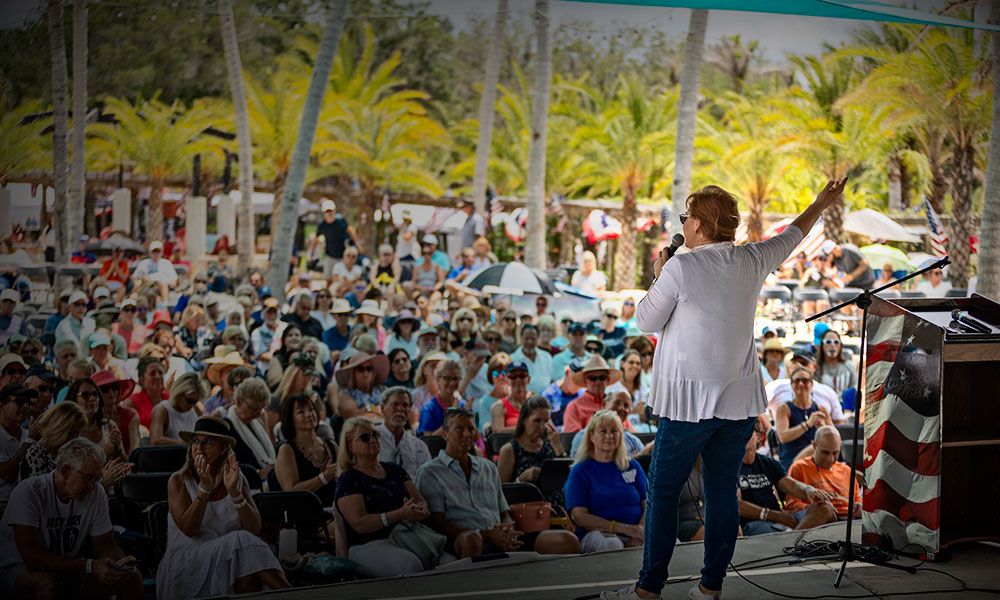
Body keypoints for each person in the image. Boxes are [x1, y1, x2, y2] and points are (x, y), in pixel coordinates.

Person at [600, 179, 847, 600]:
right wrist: (821, 202)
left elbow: (644, 320)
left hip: (688, 403)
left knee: (662, 492)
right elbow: (794, 233)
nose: (683, 222)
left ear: (700, 225)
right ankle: (710, 587)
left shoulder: (680, 266)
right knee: (721, 493)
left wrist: (659, 275)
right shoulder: (752, 258)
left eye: (686, 216)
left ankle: (648, 591)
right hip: (737, 402)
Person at [416, 408, 579, 558]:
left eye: (471, 429)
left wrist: (508, 532)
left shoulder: (487, 467)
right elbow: (436, 524)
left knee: (566, 540)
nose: (467, 434)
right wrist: (486, 534)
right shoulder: (431, 472)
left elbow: (504, 513)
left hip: (499, 537)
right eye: (459, 429)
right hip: (462, 540)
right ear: (445, 434)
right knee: (471, 540)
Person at [159, 417, 289, 599]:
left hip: (231, 559)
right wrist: (203, 489)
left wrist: (235, 494)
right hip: (189, 559)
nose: (199, 447)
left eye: (208, 442)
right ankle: (295, 594)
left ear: (223, 449)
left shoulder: (236, 477)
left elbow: (254, 528)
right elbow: (189, 529)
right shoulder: (179, 481)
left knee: (248, 568)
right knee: (241, 540)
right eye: (195, 441)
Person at [0, 438, 143, 600]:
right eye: (88, 477)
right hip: (17, 570)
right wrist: (89, 565)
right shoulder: (29, 492)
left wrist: (118, 563)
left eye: (97, 478)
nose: (93, 486)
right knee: (47, 583)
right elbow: (33, 559)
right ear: (66, 471)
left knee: (131, 578)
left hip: (67, 568)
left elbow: (105, 546)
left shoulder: (95, 493)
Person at [334, 417, 432, 577]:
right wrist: (399, 514)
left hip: (406, 536)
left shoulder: (395, 469)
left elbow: (419, 499)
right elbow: (360, 524)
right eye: (365, 437)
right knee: (410, 565)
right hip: (367, 544)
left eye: (375, 434)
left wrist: (421, 509)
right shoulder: (349, 479)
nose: (372, 440)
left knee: (449, 561)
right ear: (350, 446)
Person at [565, 410, 647, 553]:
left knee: (669, 542)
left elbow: (649, 505)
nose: (609, 436)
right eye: (603, 431)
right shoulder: (580, 471)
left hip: (638, 531)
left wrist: (640, 532)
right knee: (611, 545)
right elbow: (579, 516)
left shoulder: (633, 466)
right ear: (591, 436)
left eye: (614, 431)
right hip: (599, 533)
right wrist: (626, 529)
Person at [738, 419, 838, 535]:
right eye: (738, 431)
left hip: (780, 518)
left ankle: (793, 539)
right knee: (787, 530)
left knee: (826, 508)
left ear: (759, 437)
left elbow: (792, 486)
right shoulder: (731, 467)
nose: (742, 435)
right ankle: (794, 539)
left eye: (747, 431)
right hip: (755, 523)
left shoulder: (768, 463)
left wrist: (808, 490)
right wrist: (774, 515)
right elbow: (737, 505)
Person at [274, 393, 338, 505]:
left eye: (311, 409)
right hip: (306, 515)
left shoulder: (331, 445)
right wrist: (324, 477)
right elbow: (290, 491)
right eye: (301, 412)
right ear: (291, 420)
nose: (309, 414)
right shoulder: (287, 450)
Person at [785, 426, 860, 520]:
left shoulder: (847, 471)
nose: (830, 459)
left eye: (835, 453)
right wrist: (820, 511)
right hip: (819, 521)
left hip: (849, 519)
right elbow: (792, 506)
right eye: (825, 453)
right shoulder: (799, 468)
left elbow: (857, 499)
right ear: (814, 446)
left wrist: (859, 506)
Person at [496, 394, 564, 485]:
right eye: (537, 421)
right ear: (524, 420)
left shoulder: (550, 445)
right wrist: (521, 479)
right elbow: (501, 491)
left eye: (546, 421)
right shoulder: (510, 450)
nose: (542, 427)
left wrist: (560, 451)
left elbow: (564, 480)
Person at [775, 367, 834, 471]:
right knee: (817, 448)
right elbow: (783, 437)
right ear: (792, 385)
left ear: (811, 384)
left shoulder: (821, 409)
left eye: (805, 380)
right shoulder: (784, 409)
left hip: (817, 461)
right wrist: (807, 424)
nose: (801, 384)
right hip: (792, 461)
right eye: (797, 381)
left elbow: (834, 439)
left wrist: (823, 428)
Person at [225, 377, 276, 481]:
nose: (257, 415)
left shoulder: (257, 423)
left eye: (260, 411)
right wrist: (258, 473)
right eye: (254, 410)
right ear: (239, 402)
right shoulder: (226, 428)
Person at [570, 391, 645, 458]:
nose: (622, 408)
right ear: (604, 404)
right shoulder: (584, 437)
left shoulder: (633, 441)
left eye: (626, 406)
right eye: (617, 403)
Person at [377, 387, 432, 478]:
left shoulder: (418, 446)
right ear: (383, 408)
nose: (400, 409)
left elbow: (428, 478)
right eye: (395, 404)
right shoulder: (371, 440)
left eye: (405, 406)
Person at [563, 356, 621, 434]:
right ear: (585, 381)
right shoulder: (574, 407)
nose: (598, 382)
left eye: (602, 377)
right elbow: (573, 439)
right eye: (593, 378)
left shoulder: (616, 404)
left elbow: (628, 431)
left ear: (608, 380)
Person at [0, 384, 33, 517]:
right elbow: (8, 475)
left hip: (24, 508)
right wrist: (28, 443)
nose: (25, 406)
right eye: (19, 402)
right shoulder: (29, 438)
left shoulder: (26, 435)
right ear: (1, 405)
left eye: (28, 402)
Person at [150, 372, 206, 447]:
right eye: (189, 400)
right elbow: (155, 440)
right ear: (178, 393)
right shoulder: (162, 410)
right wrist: (186, 444)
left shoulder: (195, 409)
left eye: (195, 402)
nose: (191, 405)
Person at [314, 199, 362, 282]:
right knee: (328, 279)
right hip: (330, 255)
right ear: (323, 213)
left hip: (343, 255)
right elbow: (316, 238)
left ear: (334, 211)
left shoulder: (340, 220)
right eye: (327, 211)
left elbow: (351, 231)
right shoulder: (322, 225)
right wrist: (313, 253)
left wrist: (358, 245)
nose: (329, 213)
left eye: (331, 211)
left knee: (343, 279)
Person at [93, 370, 139, 457]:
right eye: (105, 389)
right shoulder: (91, 419)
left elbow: (135, 448)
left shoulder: (130, 415)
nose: (111, 392)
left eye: (114, 387)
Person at [417, 360, 466, 437]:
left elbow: (475, 437)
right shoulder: (429, 408)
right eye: (447, 378)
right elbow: (428, 440)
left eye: (456, 378)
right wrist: (452, 418)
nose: (452, 383)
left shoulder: (463, 404)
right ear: (438, 379)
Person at [335, 351, 390, 420]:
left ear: (373, 372)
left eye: (369, 369)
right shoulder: (345, 394)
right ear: (353, 373)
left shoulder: (383, 390)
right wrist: (378, 410)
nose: (365, 373)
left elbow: (391, 411)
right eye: (361, 369)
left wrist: (365, 411)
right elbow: (354, 417)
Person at [123, 356, 168, 431]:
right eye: (152, 373)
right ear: (141, 380)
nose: (157, 376)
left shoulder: (170, 399)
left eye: (160, 373)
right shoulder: (133, 402)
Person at [509, 323, 553, 395]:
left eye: (533, 339)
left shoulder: (546, 357)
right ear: (521, 338)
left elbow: (551, 380)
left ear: (538, 339)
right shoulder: (512, 359)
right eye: (526, 338)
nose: (530, 342)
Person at [474, 352, 511, 433]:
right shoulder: (484, 402)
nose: (501, 377)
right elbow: (486, 430)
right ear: (490, 375)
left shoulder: (518, 395)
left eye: (504, 372)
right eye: (496, 373)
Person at [815, 329, 856, 396]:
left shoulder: (849, 366)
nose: (832, 345)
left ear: (840, 345)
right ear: (822, 345)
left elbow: (853, 391)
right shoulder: (816, 367)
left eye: (836, 342)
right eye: (828, 342)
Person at [250, 298, 285, 373]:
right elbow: (261, 355)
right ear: (263, 313)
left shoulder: (286, 328)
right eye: (269, 312)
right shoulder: (257, 332)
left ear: (279, 312)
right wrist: (282, 359)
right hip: (267, 371)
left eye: (274, 312)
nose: (272, 316)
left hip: (285, 369)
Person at [265, 325, 304, 389]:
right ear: (284, 340)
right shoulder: (277, 359)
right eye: (290, 335)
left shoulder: (309, 355)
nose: (293, 337)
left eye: (297, 335)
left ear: (302, 339)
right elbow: (275, 384)